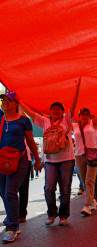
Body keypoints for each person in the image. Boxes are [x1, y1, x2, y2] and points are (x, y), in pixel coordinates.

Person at [21, 78, 80, 226]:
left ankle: (64, 216)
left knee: (65, 188)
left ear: (62, 112)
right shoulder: (44, 121)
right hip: (50, 161)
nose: (55, 110)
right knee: (48, 188)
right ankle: (52, 213)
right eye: (53, 109)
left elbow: (73, 106)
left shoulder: (67, 120)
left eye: (58, 109)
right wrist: (19, 100)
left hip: (67, 159)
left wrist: (77, 89)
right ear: (50, 111)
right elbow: (30, 113)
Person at [0, 91, 41, 243]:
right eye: (3, 100)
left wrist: (37, 159)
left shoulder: (24, 121)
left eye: (8, 100)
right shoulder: (1, 118)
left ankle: (13, 227)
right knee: (3, 192)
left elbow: (30, 142)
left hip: (20, 160)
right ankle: (12, 217)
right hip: (2, 160)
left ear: (16, 104)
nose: (4, 102)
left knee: (10, 192)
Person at [72, 93, 97, 216]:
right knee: (85, 181)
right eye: (82, 114)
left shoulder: (93, 124)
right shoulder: (74, 126)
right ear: (78, 116)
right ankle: (93, 200)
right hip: (79, 155)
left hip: (93, 154)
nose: (84, 115)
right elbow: (70, 112)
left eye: (86, 114)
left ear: (89, 116)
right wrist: (76, 92)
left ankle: (87, 205)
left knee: (89, 181)